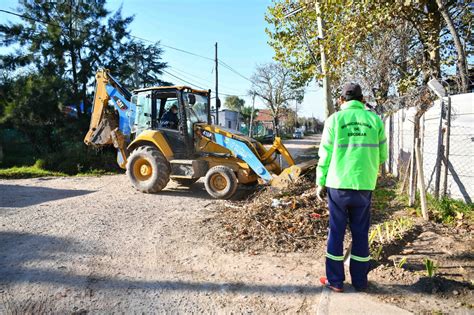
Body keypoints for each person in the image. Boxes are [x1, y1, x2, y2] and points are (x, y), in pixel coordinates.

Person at [316, 82, 388, 292]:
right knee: (360, 233)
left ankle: (335, 281)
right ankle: (360, 281)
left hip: (338, 186)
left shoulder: (335, 120)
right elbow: (383, 155)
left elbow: (325, 155)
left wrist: (320, 182)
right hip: (364, 185)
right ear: (362, 99)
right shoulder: (374, 120)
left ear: (341, 100)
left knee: (336, 232)